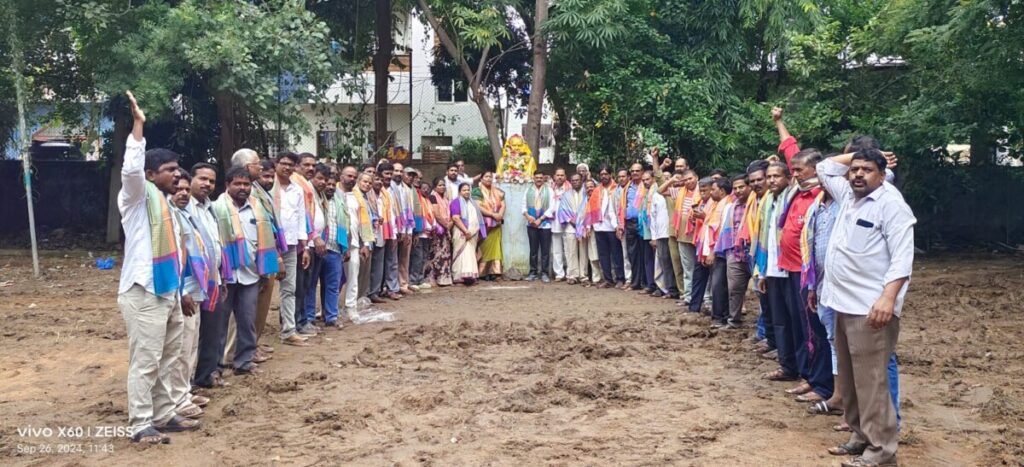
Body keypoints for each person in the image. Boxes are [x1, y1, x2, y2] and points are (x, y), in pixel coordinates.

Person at [817, 149, 914, 467]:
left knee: (872, 381)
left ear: (882, 174)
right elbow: (824, 167)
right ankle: (859, 436)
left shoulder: (891, 204)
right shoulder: (848, 194)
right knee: (849, 377)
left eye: (867, 169)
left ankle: (882, 451)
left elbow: (902, 257)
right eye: (855, 169)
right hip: (841, 303)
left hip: (870, 308)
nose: (858, 174)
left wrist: (888, 298)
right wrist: (854, 156)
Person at [116, 91, 200, 444]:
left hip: (167, 292)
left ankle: (165, 414)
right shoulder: (136, 197)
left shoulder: (166, 205)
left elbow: (177, 254)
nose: (177, 174)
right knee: (146, 361)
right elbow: (130, 169)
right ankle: (140, 423)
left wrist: (180, 292)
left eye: (177, 169)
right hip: (144, 291)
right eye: (169, 170)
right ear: (151, 174)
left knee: (168, 358)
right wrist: (138, 126)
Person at [205, 166, 277, 386]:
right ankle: (215, 367)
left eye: (246, 184)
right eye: (238, 184)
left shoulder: (257, 208)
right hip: (225, 276)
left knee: (247, 320)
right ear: (227, 185)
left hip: (251, 274)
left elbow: (265, 240)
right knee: (220, 324)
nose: (243, 188)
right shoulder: (217, 208)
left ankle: (244, 362)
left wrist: (265, 269)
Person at [167, 171, 213, 420]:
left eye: (186, 189)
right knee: (181, 347)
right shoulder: (170, 218)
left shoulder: (187, 215)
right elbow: (175, 257)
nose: (183, 193)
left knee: (190, 344)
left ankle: (184, 390)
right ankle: (176, 399)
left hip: (196, 288)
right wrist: (183, 291)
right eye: (178, 189)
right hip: (182, 291)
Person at [231, 152, 284, 359]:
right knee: (244, 310)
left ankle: (253, 345)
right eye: (256, 164)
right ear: (245, 166)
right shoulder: (241, 195)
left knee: (259, 305)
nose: (260, 168)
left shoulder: (258, 191)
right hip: (249, 258)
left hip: (266, 254)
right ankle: (239, 350)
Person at [269, 152, 309, 346]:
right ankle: (253, 340)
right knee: (263, 290)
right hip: (268, 246)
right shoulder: (268, 186)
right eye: (283, 163)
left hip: (291, 244)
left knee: (289, 289)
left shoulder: (297, 189)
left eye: (290, 164)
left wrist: (305, 246)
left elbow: (301, 216)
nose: (286, 167)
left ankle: (288, 331)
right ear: (276, 164)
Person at [340, 169, 373, 319]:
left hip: (353, 242)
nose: (351, 179)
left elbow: (362, 221)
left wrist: (365, 243)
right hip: (335, 243)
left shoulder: (357, 197)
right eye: (349, 176)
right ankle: (331, 308)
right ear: (341, 176)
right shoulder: (333, 192)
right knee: (334, 278)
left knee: (353, 275)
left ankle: (350, 307)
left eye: (354, 176)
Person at [720, 173, 752, 328]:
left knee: (761, 291)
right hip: (735, 251)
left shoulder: (756, 204)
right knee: (734, 288)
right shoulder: (732, 207)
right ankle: (734, 320)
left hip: (753, 251)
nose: (738, 191)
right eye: (735, 188)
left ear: (749, 187)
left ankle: (764, 328)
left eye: (741, 187)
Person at [318, 165, 349, 325]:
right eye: (327, 184)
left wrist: (346, 246)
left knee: (332, 285)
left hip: (335, 248)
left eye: (332, 184)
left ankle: (331, 317)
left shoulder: (339, 200)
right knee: (311, 285)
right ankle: (309, 318)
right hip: (318, 248)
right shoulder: (317, 199)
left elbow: (346, 221)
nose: (330, 187)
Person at [292, 153, 319, 337]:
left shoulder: (306, 184)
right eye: (306, 165)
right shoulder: (295, 184)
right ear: (297, 166)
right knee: (297, 286)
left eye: (313, 165)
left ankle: (302, 321)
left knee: (304, 284)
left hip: (307, 242)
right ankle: (295, 323)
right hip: (298, 243)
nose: (310, 168)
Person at [702, 177, 734, 327]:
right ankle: (721, 316)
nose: (710, 192)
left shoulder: (726, 205)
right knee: (719, 284)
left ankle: (720, 317)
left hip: (720, 251)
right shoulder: (717, 204)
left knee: (718, 285)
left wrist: (712, 251)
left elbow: (720, 231)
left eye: (713, 189)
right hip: (717, 250)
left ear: (721, 191)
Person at [646, 170, 677, 299]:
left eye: (668, 178)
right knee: (664, 263)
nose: (665, 180)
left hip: (674, 233)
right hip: (661, 234)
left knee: (675, 262)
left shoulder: (676, 193)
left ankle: (676, 290)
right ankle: (668, 289)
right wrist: (653, 237)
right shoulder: (657, 195)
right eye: (663, 178)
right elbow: (652, 217)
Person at [672, 170, 701, 306]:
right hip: (683, 235)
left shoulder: (703, 191)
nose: (688, 181)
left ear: (696, 178)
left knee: (700, 267)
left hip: (698, 234)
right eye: (686, 179)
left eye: (690, 178)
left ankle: (704, 298)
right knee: (687, 268)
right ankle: (688, 296)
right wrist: (673, 180)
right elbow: (660, 190)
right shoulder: (679, 192)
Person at [592, 165, 623, 288]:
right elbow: (591, 208)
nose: (603, 176)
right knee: (603, 254)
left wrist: (617, 226)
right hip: (599, 226)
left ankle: (620, 278)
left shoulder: (616, 189)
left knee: (616, 253)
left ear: (611, 175)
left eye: (606, 174)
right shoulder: (597, 190)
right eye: (602, 174)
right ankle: (608, 279)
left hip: (612, 226)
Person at [450, 183, 486, 285]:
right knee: (461, 253)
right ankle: (459, 277)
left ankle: (470, 276)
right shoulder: (456, 202)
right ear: (459, 192)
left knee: (470, 253)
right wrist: (465, 231)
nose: (466, 192)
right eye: (464, 190)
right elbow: (455, 218)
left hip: (473, 234)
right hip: (461, 232)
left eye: (468, 190)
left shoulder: (473, 203)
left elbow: (476, 219)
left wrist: (473, 232)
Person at [523, 171, 555, 282]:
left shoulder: (549, 191)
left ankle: (545, 273)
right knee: (533, 250)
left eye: (541, 178)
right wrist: (529, 217)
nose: (539, 179)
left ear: (544, 179)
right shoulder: (528, 191)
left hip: (545, 224)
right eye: (537, 177)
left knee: (545, 250)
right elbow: (523, 207)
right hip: (531, 224)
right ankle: (533, 272)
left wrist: (540, 219)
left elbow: (552, 207)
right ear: (533, 178)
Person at [473, 171, 506, 280]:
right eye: (486, 177)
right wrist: (492, 214)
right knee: (484, 246)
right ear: (481, 179)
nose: (488, 179)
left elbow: (503, 204)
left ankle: (495, 272)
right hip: (484, 224)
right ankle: (482, 272)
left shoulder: (498, 192)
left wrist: (499, 215)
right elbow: (478, 207)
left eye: (490, 177)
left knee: (496, 247)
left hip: (496, 223)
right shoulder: (476, 191)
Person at [378, 163, 403, 300]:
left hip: (393, 228)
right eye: (385, 174)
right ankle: (378, 289)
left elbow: (398, 209)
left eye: (390, 174)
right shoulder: (376, 188)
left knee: (392, 260)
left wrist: (399, 227)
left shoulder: (395, 189)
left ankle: (392, 288)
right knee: (379, 261)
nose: (388, 176)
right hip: (380, 229)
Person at [557, 173, 585, 284]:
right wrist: (570, 220)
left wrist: (581, 222)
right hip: (570, 226)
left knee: (583, 252)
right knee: (571, 252)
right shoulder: (566, 195)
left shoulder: (586, 193)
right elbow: (561, 210)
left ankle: (583, 275)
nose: (575, 182)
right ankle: (572, 275)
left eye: (577, 180)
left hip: (583, 226)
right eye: (573, 180)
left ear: (581, 181)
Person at [409, 173, 435, 290]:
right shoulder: (417, 197)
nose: (426, 190)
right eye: (423, 188)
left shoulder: (427, 200)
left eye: (428, 189)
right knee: (417, 256)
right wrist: (417, 229)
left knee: (424, 256)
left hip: (427, 234)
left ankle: (420, 278)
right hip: (419, 232)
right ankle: (413, 279)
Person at [575, 179, 603, 285]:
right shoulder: (583, 201)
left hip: (594, 230)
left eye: (591, 186)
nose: (589, 189)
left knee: (594, 254)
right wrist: (580, 230)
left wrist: (589, 226)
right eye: (587, 187)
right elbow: (579, 217)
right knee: (583, 255)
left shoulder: (598, 199)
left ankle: (596, 278)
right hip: (582, 231)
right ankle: (584, 277)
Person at [429, 177, 454, 286]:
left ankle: (444, 278)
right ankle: (436, 277)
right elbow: (436, 214)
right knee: (437, 254)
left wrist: (449, 224)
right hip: (438, 230)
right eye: (439, 185)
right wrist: (446, 225)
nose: (442, 187)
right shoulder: (433, 197)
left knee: (446, 254)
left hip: (446, 228)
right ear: (435, 187)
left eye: (443, 185)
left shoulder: (446, 198)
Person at [549, 168, 572, 281]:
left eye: (562, 175)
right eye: (558, 175)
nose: (560, 177)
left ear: (565, 177)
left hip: (568, 223)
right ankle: (559, 273)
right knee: (556, 250)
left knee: (568, 250)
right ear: (554, 177)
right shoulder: (550, 189)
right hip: (554, 223)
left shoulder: (570, 189)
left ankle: (569, 273)